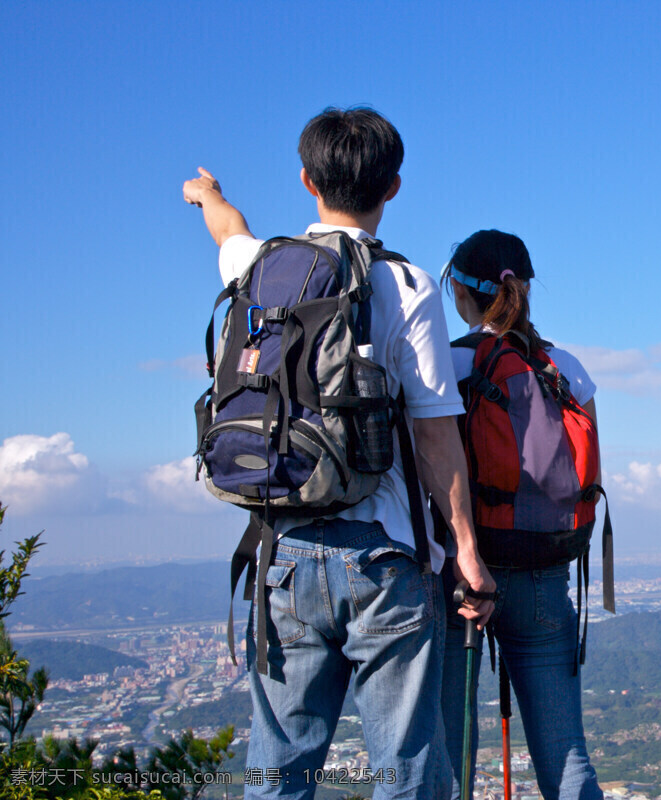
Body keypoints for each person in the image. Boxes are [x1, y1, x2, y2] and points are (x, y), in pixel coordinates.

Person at [182, 107, 495, 800]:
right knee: (405, 767)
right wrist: (467, 550)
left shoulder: (262, 267)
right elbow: (436, 431)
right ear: (394, 188)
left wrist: (206, 195)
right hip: (382, 557)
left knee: (280, 766)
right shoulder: (407, 285)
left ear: (305, 180)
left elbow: (228, 232)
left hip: (283, 550)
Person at [439, 230, 603, 800]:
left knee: (450, 762)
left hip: (458, 580)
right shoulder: (566, 367)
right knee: (567, 756)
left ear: (460, 293)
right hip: (545, 570)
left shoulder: (449, 363)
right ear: (526, 289)